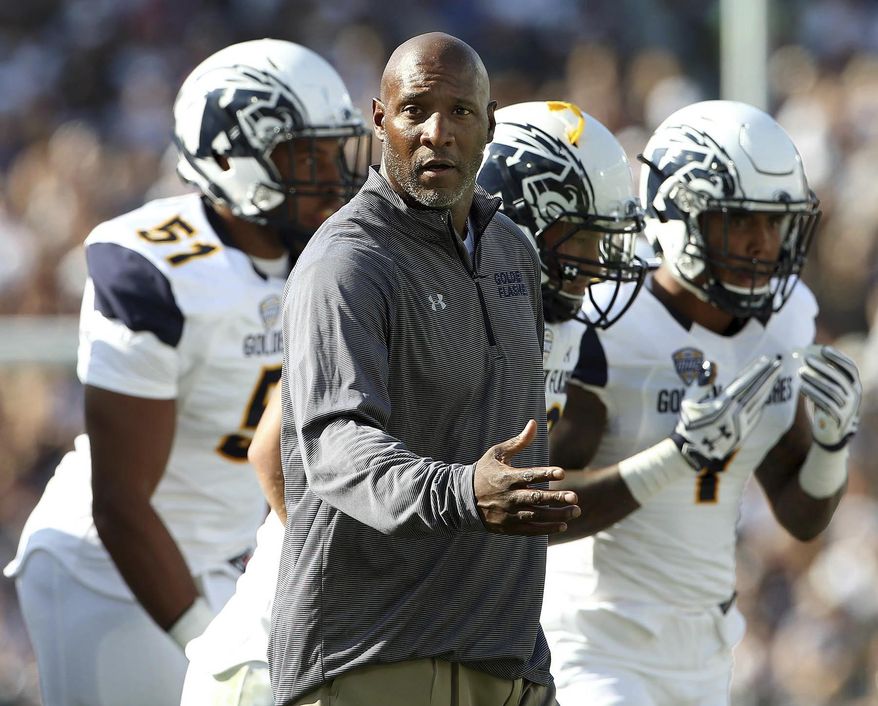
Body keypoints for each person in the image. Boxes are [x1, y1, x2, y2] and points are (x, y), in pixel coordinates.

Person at [180, 98, 650, 706]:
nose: (595, 266)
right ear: (529, 217)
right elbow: (275, 452)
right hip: (292, 656)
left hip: (434, 649)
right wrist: (377, 580)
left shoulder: (548, 322)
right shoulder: (386, 269)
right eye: (582, 237)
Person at [4, 39, 369, 706]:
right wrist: (209, 645)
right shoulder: (150, 265)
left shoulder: (325, 252)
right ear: (230, 158)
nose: (330, 176)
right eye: (304, 156)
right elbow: (120, 501)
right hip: (110, 570)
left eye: (333, 152)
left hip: (232, 560)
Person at [269, 33, 586, 706]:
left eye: (460, 111)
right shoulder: (347, 261)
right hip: (374, 653)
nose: (436, 132)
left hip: (504, 658)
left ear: (490, 125)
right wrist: (463, 492)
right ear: (380, 118)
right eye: (415, 109)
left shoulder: (511, 251)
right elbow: (335, 445)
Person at [542, 100, 862, 706]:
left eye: (776, 223)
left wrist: (830, 448)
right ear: (677, 214)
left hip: (708, 653)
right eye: (741, 221)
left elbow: (800, 516)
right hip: (596, 645)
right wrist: (677, 456)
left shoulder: (785, 319)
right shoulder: (611, 321)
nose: (764, 245)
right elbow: (540, 509)